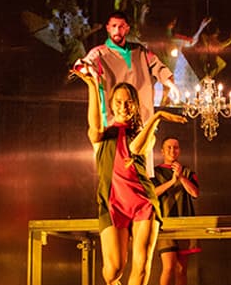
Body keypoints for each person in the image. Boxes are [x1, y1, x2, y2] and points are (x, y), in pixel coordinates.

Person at [76, 72, 187, 285]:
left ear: (135, 105)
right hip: (113, 202)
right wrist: (92, 85)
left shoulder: (141, 132)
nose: (123, 106)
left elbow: (138, 148)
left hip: (142, 202)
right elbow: (93, 123)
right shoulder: (103, 136)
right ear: (112, 104)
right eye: (118, 102)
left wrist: (157, 117)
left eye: (128, 102)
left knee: (142, 261)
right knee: (114, 268)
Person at [74, 11, 180, 176]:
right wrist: (89, 71)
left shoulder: (141, 52)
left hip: (140, 125)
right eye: (114, 26)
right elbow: (81, 65)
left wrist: (169, 82)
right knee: (114, 175)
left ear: (127, 28)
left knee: (142, 176)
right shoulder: (99, 53)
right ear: (108, 28)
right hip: (111, 127)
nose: (117, 30)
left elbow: (158, 66)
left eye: (121, 26)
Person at [152, 137, 200, 285]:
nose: (173, 150)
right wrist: (172, 181)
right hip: (165, 224)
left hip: (185, 224)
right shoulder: (154, 173)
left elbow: (195, 193)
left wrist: (180, 178)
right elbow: (152, 194)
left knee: (181, 269)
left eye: (176, 147)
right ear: (162, 151)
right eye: (169, 147)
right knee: (169, 266)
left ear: (179, 151)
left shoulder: (187, 171)